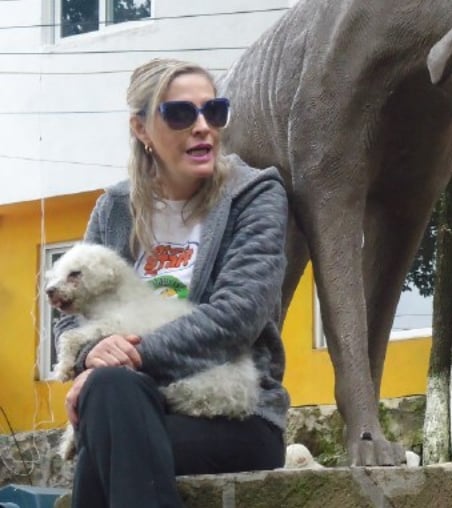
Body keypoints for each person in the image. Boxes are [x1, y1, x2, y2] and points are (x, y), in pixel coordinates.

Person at [54, 58, 289, 507]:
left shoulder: (254, 194)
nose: (203, 127)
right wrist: (89, 354)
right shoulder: (115, 209)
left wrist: (122, 358)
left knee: (104, 422)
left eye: (214, 111)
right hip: (130, 407)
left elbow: (236, 317)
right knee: (111, 401)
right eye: (181, 114)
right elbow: (71, 312)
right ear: (142, 129)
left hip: (234, 418)